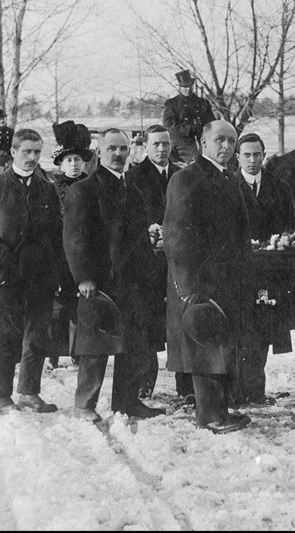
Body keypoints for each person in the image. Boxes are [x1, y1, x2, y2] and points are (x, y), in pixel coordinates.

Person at [62, 128, 165, 422]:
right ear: (99, 152)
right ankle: (84, 405)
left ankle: (127, 401)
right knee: (95, 345)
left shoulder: (133, 190)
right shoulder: (83, 190)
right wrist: (83, 277)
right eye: (112, 149)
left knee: (134, 343)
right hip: (99, 282)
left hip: (133, 280)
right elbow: (75, 239)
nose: (118, 154)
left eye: (123, 149)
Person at [164, 120, 253, 433]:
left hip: (227, 280)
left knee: (220, 347)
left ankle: (220, 411)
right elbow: (175, 235)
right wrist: (187, 286)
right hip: (199, 282)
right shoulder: (185, 178)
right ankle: (210, 416)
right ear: (203, 142)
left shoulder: (229, 178)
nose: (226, 146)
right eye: (219, 140)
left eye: (231, 140)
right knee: (203, 348)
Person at [0, 128, 64, 415]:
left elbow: (56, 234)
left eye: (37, 152)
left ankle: (29, 392)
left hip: (40, 276)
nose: (33, 157)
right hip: (6, 275)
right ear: (13, 152)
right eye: (27, 152)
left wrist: (55, 272)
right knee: (7, 335)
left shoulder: (47, 188)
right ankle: (1, 396)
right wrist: (3, 257)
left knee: (37, 335)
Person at [229, 133, 294, 406]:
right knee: (237, 331)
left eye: (257, 155)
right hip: (237, 270)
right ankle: (234, 391)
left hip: (269, 270)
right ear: (238, 157)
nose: (253, 160)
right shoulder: (227, 185)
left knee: (263, 331)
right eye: (247, 155)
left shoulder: (279, 187)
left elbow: (287, 227)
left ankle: (256, 390)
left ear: (264, 155)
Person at [129, 124, 191, 403]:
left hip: (179, 260)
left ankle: (186, 384)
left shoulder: (183, 175)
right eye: (156, 144)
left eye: (166, 144)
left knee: (182, 322)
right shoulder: (133, 176)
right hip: (148, 262)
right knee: (148, 323)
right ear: (145, 146)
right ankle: (145, 381)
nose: (162, 149)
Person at [48, 120, 94, 368]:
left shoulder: (92, 185)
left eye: (77, 160)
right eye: (69, 161)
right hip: (59, 252)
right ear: (60, 164)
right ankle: (54, 353)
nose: (74, 165)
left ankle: (79, 350)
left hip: (85, 252)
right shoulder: (52, 189)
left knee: (81, 304)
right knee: (59, 305)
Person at [162, 70, 215, 163]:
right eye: (185, 87)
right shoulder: (172, 103)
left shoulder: (203, 103)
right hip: (181, 141)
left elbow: (211, 122)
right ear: (180, 87)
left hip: (203, 138)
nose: (188, 89)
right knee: (196, 161)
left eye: (190, 86)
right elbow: (169, 124)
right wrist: (189, 129)